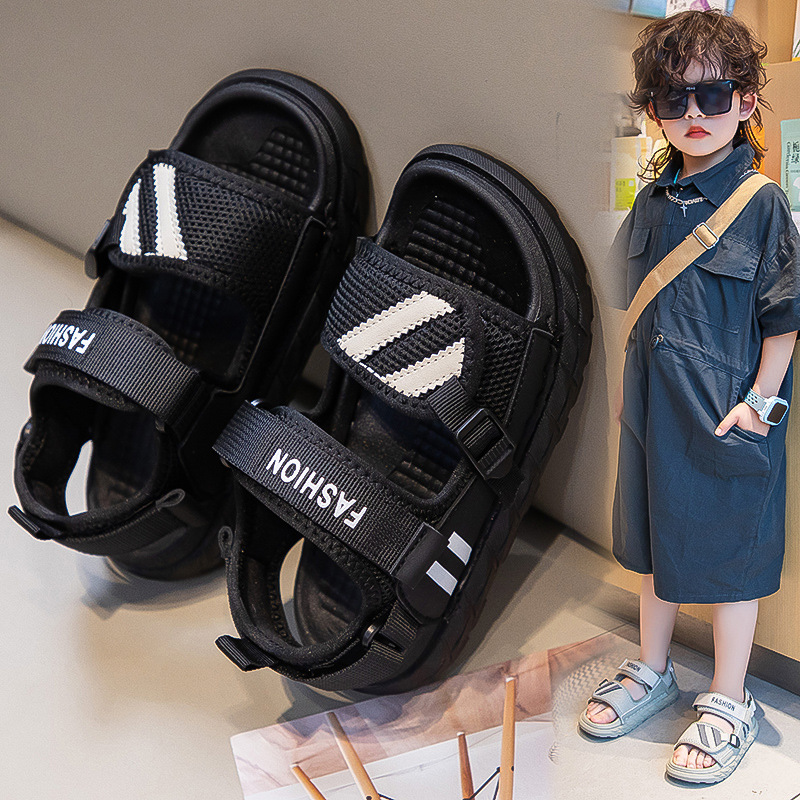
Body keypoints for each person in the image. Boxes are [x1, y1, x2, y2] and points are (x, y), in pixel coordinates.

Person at [578, 10, 800, 784]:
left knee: (732, 557)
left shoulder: (761, 203)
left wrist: (760, 404)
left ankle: (731, 697)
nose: (694, 114)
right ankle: (653, 668)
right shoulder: (651, 201)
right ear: (653, 110)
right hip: (653, 410)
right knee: (651, 542)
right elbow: (629, 303)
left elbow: (784, 317)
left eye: (713, 95)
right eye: (674, 98)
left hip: (725, 412)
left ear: (746, 101)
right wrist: (621, 391)